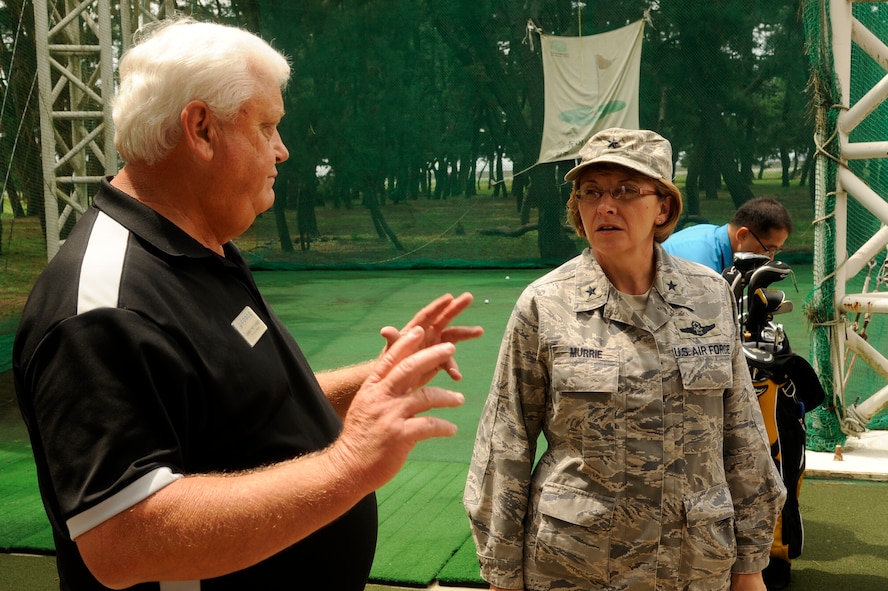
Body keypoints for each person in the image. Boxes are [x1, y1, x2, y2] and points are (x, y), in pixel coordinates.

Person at [13, 19, 483, 591]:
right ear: (202, 129)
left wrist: (374, 380)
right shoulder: (103, 306)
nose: (282, 150)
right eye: (267, 126)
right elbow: (123, 539)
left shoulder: (203, 248)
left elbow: (248, 407)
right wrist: (349, 462)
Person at [463, 127, 786, 591]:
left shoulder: (709, 296)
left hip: (692, 566)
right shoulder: (544, 304)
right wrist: (501, 576)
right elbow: (504, 445)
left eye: (626, 190)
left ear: (664, 207)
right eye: (590, 191)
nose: (605, 205)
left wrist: (750, 563)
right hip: (576, 566)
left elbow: (742, 435)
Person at [662, 197, 794, 273]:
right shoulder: (702, 266)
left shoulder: (712, 236)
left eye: (776, 250)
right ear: (742, 235)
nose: (770, 258)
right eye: (769, 249)